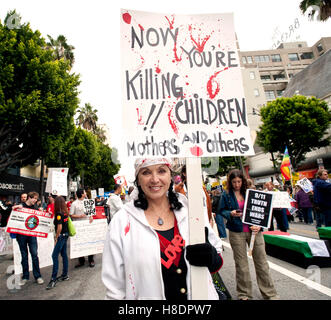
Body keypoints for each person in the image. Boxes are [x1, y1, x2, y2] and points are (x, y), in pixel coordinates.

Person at [102, 158, 223, 300]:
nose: (155, 179)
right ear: (138, 180)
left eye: (161, 171)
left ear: (170, 176)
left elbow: (217, 260)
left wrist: (211, 257)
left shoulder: (191, 211)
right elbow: (114, 289)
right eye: (146, 172)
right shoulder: (121, 223)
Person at [218, 169, 278, 300]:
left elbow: (262, 211)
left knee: (262, 263)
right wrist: (231, 213)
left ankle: (270, 293)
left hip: (255, 232)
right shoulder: (226, 194)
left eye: (239, 181)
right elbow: (221, 210)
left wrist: (260, 225)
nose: (237, 184)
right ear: (230, 182)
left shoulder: (251, 192)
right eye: (234, 182)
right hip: (236, 231)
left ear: (243, 181)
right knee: (241, 265)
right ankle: (244, 294)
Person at [12, 191, 44, 286]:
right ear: (29, 198)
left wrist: (44, 213)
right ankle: (25, 276)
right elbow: (12, 213)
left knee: (34, 254)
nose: (35, 200)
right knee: (24, 256)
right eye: (34, 198)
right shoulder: (21, 206)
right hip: (21, 235)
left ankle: (37, 276)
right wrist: (15, 208)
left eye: (36, 199)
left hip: (32, 235)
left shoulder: (35, 208)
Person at [46, 196, 70, 289]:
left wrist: (56, 238)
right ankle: (65, 274)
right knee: (64, 254)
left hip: (61, 236)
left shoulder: (59, 213)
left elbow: (59, 227)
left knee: (54, 255)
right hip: (65, 234)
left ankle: (53, 278)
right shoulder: (65, 212)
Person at [70, 188, 95, 267]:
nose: (85, 193)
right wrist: (79, 216)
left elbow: (91, 213)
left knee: (90, 242)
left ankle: (91, 259)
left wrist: (91, 217)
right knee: (80, 243)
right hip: (79, 226)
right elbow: (71, 215)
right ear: (81, 194)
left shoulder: (88, 202)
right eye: (84, 192)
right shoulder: (74, 204)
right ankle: (81, 260)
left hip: (88, 225)